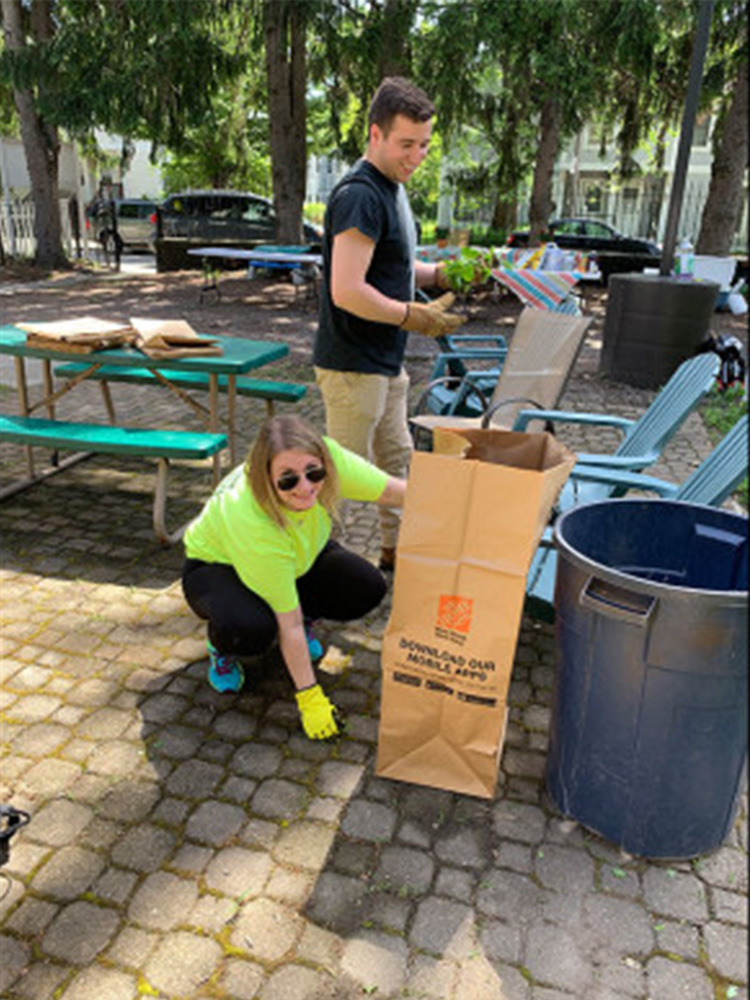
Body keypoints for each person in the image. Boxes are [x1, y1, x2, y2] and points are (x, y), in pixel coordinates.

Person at [313, 76, 464, 573]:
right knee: (333, 483)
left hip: (386, 363)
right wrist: (411, 315)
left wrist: (443, 273)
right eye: (406, 144)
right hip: (353, 366)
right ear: (375, 134)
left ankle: (397, 553)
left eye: (424, 144)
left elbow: (394, 267)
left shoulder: (393, 189)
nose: (417, 155)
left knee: (395, 461)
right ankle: (309, 575)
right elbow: (347, 289)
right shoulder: (361, 195)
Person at [181, 414, 406, 741]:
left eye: (313, 472)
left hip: (297, 555)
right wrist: (310, 697)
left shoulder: (329, 459)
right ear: (265, 479)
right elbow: (288, 623)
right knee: (254, 627)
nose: (306, 487)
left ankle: (306, 612)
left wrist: (470, 500)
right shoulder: (253, 522)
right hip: (217, 567)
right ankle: (221, 648)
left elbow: (393, 492)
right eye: (288, 480)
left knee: (366, 586)